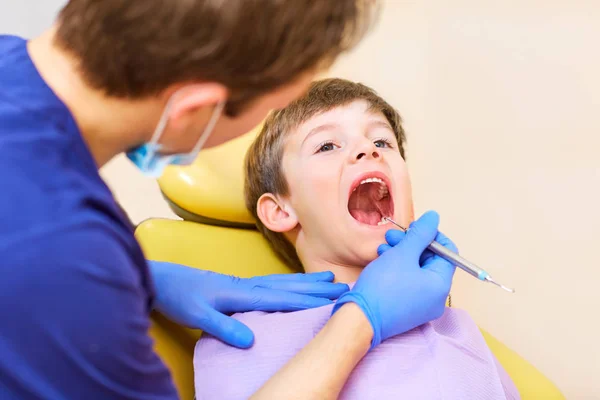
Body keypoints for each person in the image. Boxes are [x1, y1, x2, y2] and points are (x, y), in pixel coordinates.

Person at [0, 1, 456, 399]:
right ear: (193, 111)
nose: (365, 151)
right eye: (273, 107)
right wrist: (359, 323)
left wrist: (142, 278)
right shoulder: (61, 260)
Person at [193, 78, 520, 399]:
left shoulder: (457, 329)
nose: (367, 149)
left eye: (382, 142)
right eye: (327, 145)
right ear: (280, 211)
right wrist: (363, 317)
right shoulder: (243, 333)